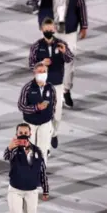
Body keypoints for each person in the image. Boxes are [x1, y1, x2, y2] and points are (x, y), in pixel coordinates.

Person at [28, 0, 87, 108]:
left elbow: (81, 4)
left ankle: (66, 89)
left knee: (69, 59)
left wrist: (84, 25)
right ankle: (48, 92)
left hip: (69, 28)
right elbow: (30, 1)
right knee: (49, 60)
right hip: (51, 29)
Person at [4, 123, 49, 213]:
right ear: (16, 134)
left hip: (31, 191)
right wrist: (10, 147)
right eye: (20, 132)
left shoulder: (37, 151)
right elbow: (6, 156)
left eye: (25, 132)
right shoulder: (14, 150)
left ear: (30, 134)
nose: (23, 134)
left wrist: (45, 188)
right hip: (15, 190)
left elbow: (42, 170)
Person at [28, 17, 73, 151]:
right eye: (46, 29)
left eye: (50, 28)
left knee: (57, 114)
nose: (48, 30)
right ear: (42, 29)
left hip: (57, 84)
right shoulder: (36, 46)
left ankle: (54, 132)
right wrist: (41, 63)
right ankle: (46, 142)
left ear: (54, 29)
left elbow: (70, 59)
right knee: (45, 114)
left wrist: (65, 52)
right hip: (42, 85)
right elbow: (31, 65)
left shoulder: (60, 44)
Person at [18, 63, 56, 160]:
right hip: (30, 124)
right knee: (28, 151)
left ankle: (41, 173)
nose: (43, 73)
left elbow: (54, 104)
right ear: (34, 73)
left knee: (42, 151)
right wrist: (36, 108)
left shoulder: (51, 88)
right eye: (40, 71)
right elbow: (21, 106)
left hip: (45, 123)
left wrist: (50, 120)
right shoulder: (27, 88)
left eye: (44, 71)